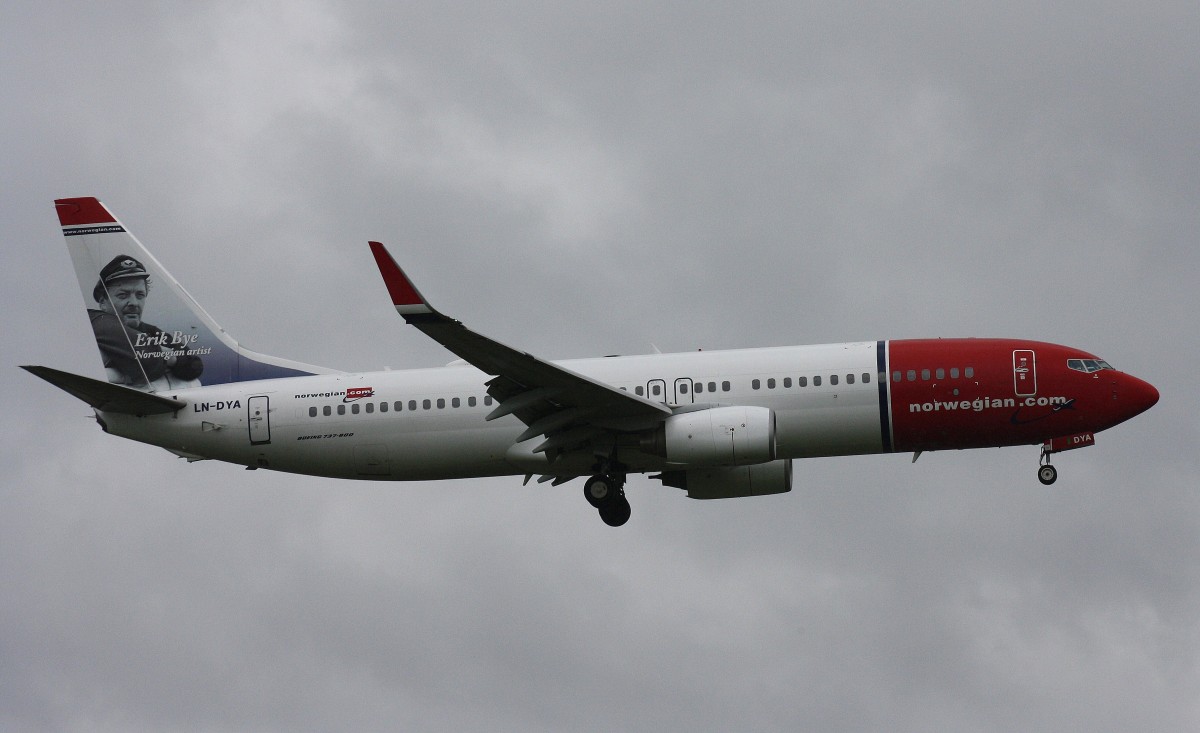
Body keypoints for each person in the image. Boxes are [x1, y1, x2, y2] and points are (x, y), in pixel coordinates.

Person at [89, 255, 204, 389]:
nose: (134, 303)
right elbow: (147, 363)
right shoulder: (94, 322)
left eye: (140, 295)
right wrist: (167, 356)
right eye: (123, 295)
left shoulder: (149, 331)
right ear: (103, 302)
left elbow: (194, 365)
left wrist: (168, 357)